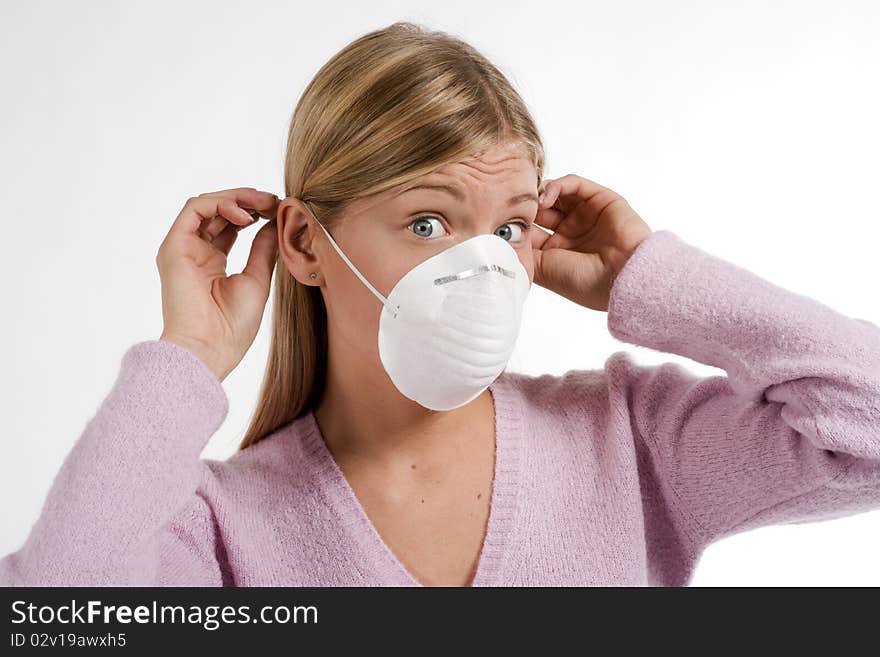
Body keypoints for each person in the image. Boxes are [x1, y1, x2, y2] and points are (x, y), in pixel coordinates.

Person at [2, 21, 879, 588]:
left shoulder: (631, 437)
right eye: (428, 221)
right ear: (307, 243)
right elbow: (53, 615)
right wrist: (187, 359)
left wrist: (649, 278)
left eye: (509, 230)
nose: (481, 267)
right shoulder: (224, 527)